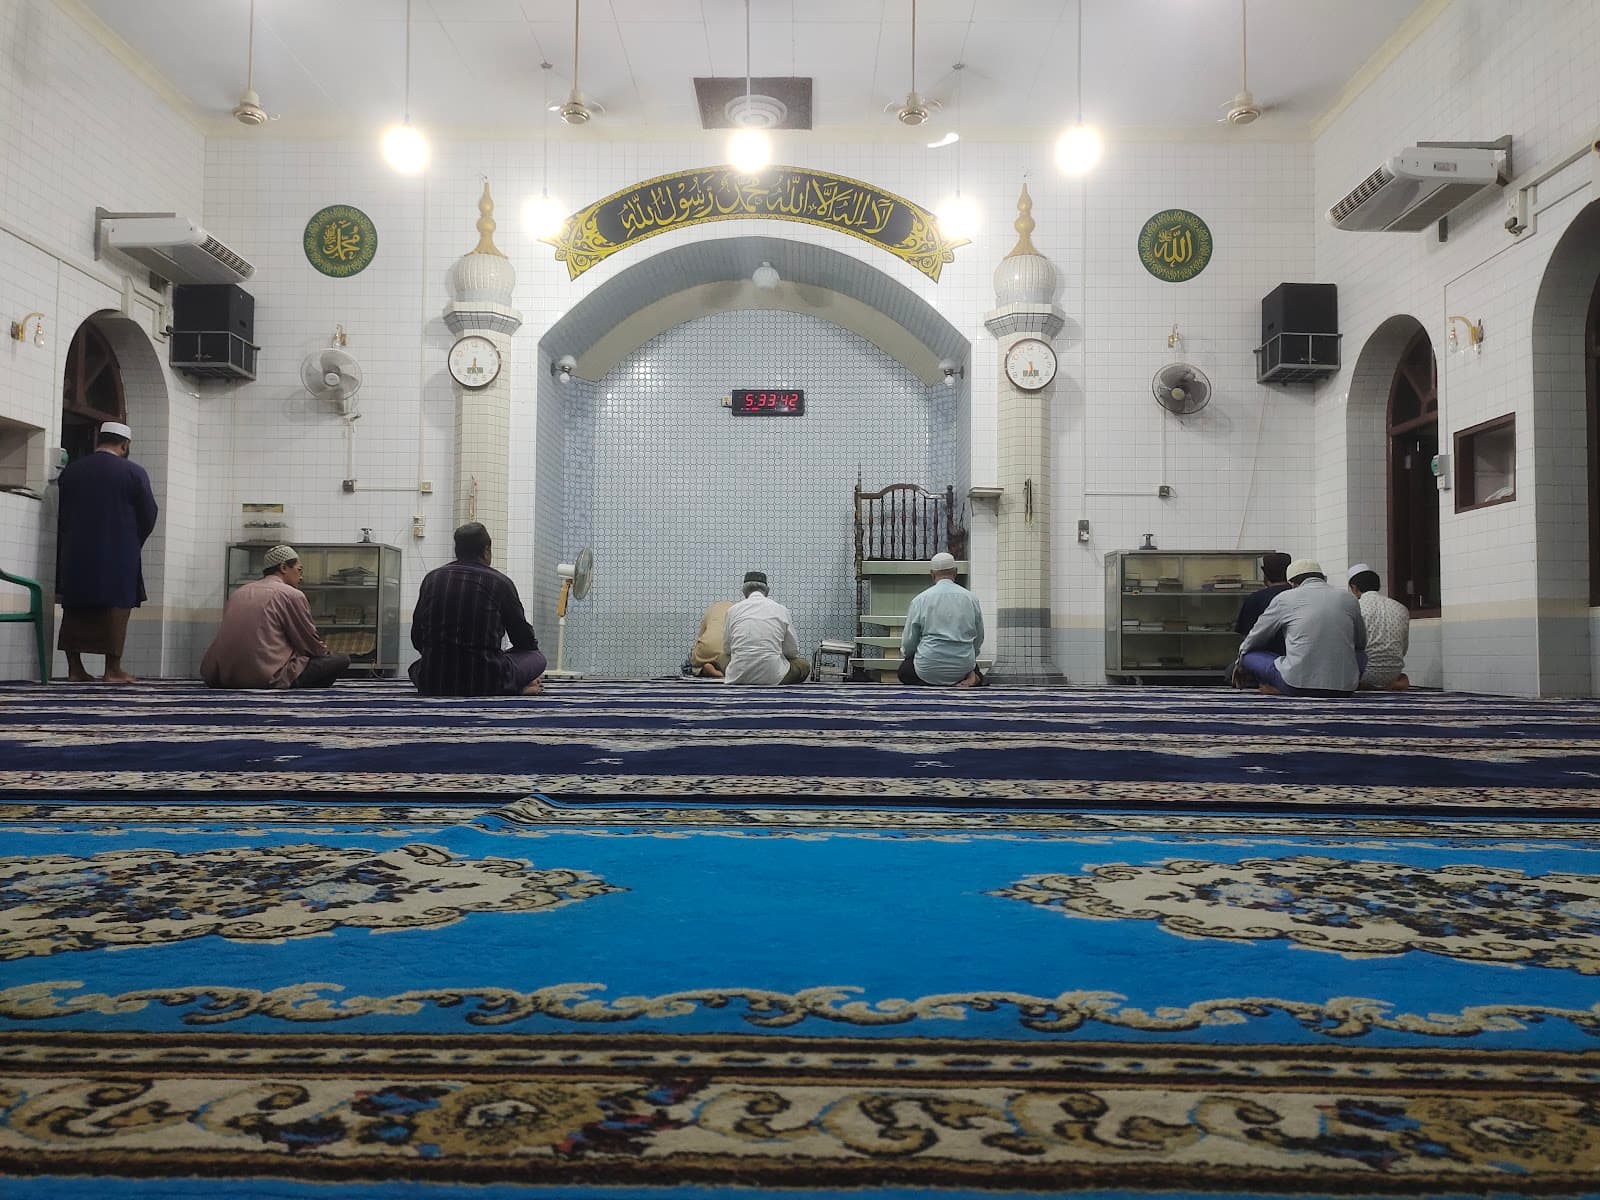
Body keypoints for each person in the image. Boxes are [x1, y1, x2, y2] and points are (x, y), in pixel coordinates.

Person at [54, 420, 158, 683]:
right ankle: (113, 669)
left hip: (76, 551)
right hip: (118, 552)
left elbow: (62, 513)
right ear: (125, 445)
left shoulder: (72, 471)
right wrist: (133, 541)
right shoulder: (133, 473)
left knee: (76, 608)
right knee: (115, 608)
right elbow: (149, 514)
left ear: (98, 441)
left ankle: (75, 669)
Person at [409, 522, 546, 696]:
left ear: (457, 550)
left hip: (434, 680)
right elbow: (523, 641)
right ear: (486, 550)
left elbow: (417, 638)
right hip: (487, 680)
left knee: (417, 666)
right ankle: (516, 687)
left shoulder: (432, 579)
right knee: (536, 657)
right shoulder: (500, 583)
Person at [200, 545, 351, 689]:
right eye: (299, 570)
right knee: (341, 660)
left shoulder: (239, 592)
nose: (301, 577)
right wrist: (325, 654)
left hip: (222, 677)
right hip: (265, 676)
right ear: (284, 567)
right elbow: (309, 644)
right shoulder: (292, 595)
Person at [1235, 559, 1367, 696]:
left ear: (1292, 583)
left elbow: (1256, 637)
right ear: (1323, 578)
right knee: (1361, 655)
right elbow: (1361, 642)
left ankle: (1278, 687)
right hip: (1344, 688)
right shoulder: (1348, 598)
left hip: (1295, 684)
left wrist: (1239, 662)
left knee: (1249, 655)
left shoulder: (1285, 598)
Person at [899, 551, 985, 688]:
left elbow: (909, 641)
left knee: (904, 672)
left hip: (927, 668)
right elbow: (979, 637)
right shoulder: (971, 599)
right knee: (974, 668)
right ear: (955, 572)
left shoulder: (920, 599)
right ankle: (973, 678)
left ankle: (931, 682)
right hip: (962, 668)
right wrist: (971, 660)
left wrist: (909, 655)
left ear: (932, 574)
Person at [722, 571, 809, 685]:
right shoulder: (781, 610)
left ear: (743, 591)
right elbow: (792, 652)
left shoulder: (732, 610)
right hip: (774, 677)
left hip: (737, 677)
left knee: (721, 657)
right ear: (767, 591)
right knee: (804, 665)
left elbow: (727, 649)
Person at [1347, 563, 1411, 690]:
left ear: (1354, 588)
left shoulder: (1355, 607)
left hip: (1364, 674)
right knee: (1402, 677)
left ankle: (1367, 685)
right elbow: (1403, 649)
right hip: (1393, 673)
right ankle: (1391, 684)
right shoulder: (1400, 608)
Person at [1234, 552, 1293, 639]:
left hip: (1264, 651)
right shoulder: (1299, 596)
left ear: (1265, 574)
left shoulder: (1255, 599)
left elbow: (1246, 635)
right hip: (1297, 651)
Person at [687, 599, 734, 678]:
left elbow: (700, 637)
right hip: (728, 653)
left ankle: (702, 668)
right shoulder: (737, 611)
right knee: (729, 661)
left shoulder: (710, 611)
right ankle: (724, 672)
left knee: (690, 663)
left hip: (707, 649)